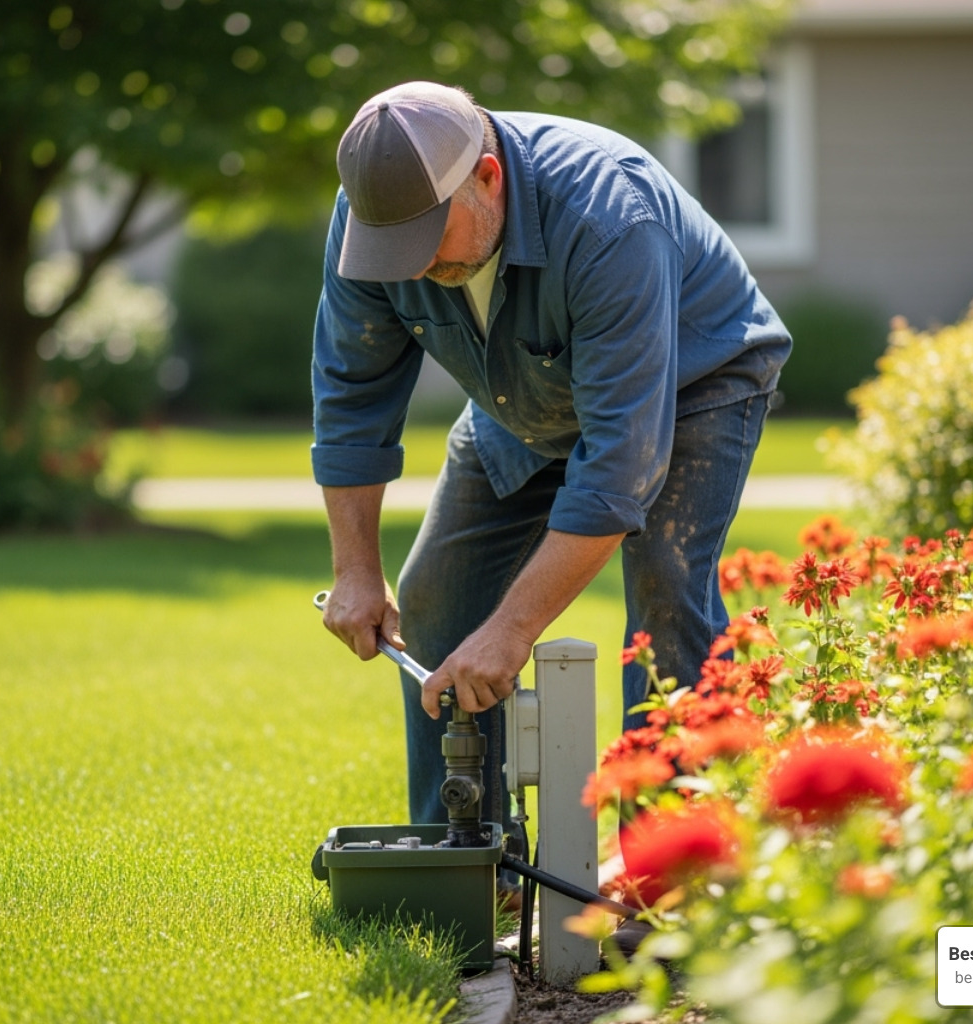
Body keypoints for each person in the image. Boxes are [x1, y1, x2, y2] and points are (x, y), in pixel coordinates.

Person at [313, 80, 791, 839]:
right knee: (436, 594)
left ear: (489, 178)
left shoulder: (609, 217)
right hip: (522, 388)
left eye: (425, 241)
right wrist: (355, 570)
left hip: (695, 382)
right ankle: (470, 858)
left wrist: (513, 631)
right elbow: (351, 397)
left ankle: (673, 870)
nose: (405, 269)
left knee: (666, 600)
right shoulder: (378, 220)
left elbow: (614, 471)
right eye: (391, 248)